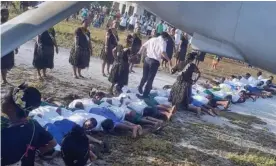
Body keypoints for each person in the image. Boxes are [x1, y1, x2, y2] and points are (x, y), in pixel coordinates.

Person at [1, 85, 57, 166]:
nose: (2, 101)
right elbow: (53, 143)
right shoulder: (34, 125)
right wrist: (37, 152)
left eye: (4, 99)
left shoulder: (3, 129)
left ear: (10, 108)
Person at [137, 32, 172, 98]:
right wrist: (169, 60)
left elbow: (143, 46)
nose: (166, 40)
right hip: (154, 62)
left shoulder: (152, 39)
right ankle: (145, 95)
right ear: (165, 38)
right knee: (150, 79)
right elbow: (163, 52)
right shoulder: (163, 42)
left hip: (147, 59)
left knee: (145, 76)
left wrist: (139, 53)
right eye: (167, 39)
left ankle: (140, 86)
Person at [1, 8, 18, 85]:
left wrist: (16, 46)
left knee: (8, 64)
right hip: (2, 47)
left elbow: (13, 36)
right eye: (4, 14)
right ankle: (4, 79)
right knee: (3, 64)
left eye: (7, 14)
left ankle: (4, 78)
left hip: (9, 46)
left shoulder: (10, 24)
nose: (6, 15)